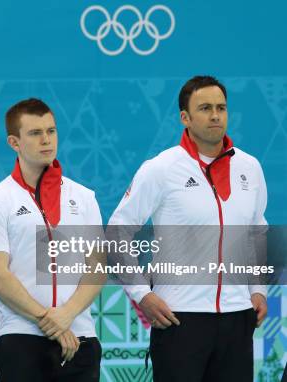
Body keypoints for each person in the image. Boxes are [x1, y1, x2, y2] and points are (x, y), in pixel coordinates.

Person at [108, 75, 268, 382]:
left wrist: (258, 288)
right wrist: (141, 294)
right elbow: (117, 231)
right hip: (180, 318)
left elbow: (256, 231)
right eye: (205, 108)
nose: (215, 115)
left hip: (238, 318)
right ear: (185, 117)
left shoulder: (250, 167)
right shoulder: (161, 168)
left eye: (221, 107)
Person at [0, 98, 104, 382]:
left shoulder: (83, 198)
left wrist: (67, 315)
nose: (46, 140)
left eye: (51, 131)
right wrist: (52, 322)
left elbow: (97, 267)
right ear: (14, 142)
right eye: (35, 133)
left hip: (80, 338)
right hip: (21, 339)